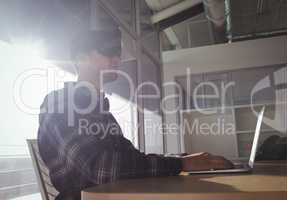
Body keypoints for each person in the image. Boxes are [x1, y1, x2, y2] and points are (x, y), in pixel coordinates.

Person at [37, 29, 233, 200]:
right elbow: (101, 168)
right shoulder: (59, 103)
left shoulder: (103, 113)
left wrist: (182, 159)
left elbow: (130, 158)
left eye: (118, 53)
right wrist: (180, 163)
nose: (117, 59)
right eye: (107, 50)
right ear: (81, 58)